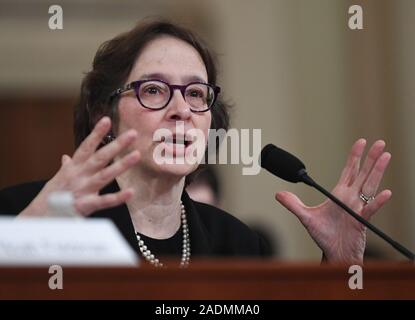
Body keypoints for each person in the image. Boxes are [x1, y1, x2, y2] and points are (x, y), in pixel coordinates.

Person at [0, 20, 391, 267]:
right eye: (153, 90)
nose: (180, 109)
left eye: (196, 93)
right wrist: (25, 240)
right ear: (108, 117)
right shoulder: (23, 213)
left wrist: (341, 270)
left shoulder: (238, 246)